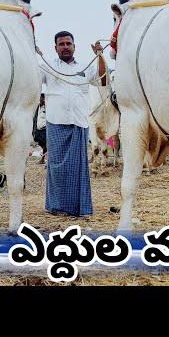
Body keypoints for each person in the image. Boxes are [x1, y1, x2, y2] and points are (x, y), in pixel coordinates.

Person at [41, 31, 107, 217]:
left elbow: (102, 80)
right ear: (55, 48)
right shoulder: (47, 67)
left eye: (68, 43)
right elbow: (32, 81)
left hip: (79, 123)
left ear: (74, 46)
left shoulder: (85, 67)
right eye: (61, 44)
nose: (65, 47)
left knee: (78, 168)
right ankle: (57, 207)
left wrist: (100, 56)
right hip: (56, 122)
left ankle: (79, 208)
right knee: (56, 167)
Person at [32, 91, 47, 164]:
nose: (42, 99)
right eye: (41, 97)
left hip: (45, 128)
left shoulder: (47, 106)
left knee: (46, 144)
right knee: (40, 142)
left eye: (43, 97)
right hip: (38, 128)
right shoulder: (37, 106)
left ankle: (43, 159)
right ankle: (43, 158)